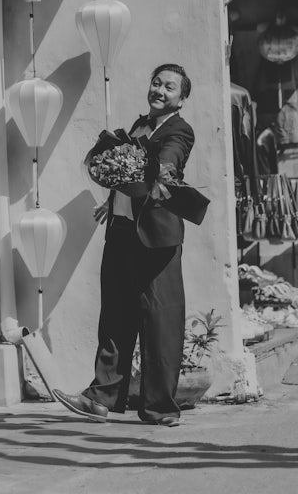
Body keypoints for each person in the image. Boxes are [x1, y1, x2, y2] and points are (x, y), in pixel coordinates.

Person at [54, 64, 196, 427]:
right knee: (115, 316)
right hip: (120, 233)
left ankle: (160, 408)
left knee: (159, 321)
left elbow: (168, 162)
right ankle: (99, 398)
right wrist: (111, 199)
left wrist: (160, 170)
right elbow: (125, 172)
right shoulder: (137, 126)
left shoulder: (179, 131)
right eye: (156, 83)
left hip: (156, 241)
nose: (160, 90)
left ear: (181, 98)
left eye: (169, 87)